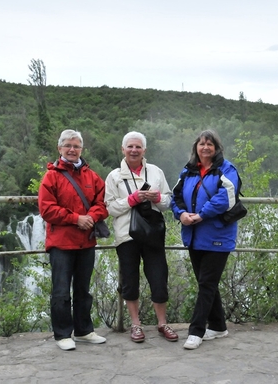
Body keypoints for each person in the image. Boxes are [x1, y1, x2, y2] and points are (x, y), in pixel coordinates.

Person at [104, 131, 178, 343]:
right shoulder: (114, 176)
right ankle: (136, 325)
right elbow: (110, 208)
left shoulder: (155, 172)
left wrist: (157, 197)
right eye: (130, 147)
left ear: (144, 150)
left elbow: (167, 202)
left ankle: (162, 323)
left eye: (138, 147)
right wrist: (132, 199)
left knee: (159, 277)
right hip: (126, 235)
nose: (134, 150)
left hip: (152, 234)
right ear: (123, 149)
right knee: (130, 281)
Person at [38, 129, 108, 351]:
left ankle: (84, 331)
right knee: (60, 291)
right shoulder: (51, 176)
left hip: (85, 241)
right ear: (59, 148)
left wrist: (92, 217)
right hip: (61, 243)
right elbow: (47, 209)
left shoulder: (92, 176)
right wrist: (76, 219)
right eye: (68, 145)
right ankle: (62, 334)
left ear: (81, 150)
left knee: (83, 289)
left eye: (76, 146)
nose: (72, 149)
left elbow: (101, 203)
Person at [171, 129, 240, 350]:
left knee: (207, 283)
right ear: (196, 148)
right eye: (201, 144)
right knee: (206, 283)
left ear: (217, 147)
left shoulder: (226, 169)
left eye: (210, 144)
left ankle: (196, 331)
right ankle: (219, 326)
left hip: (218, 235)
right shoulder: (188, 171)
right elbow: (176, 196)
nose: (205, 148)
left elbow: (226, 197)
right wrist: (181, 214)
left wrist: (201, 214)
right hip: (193, 235)